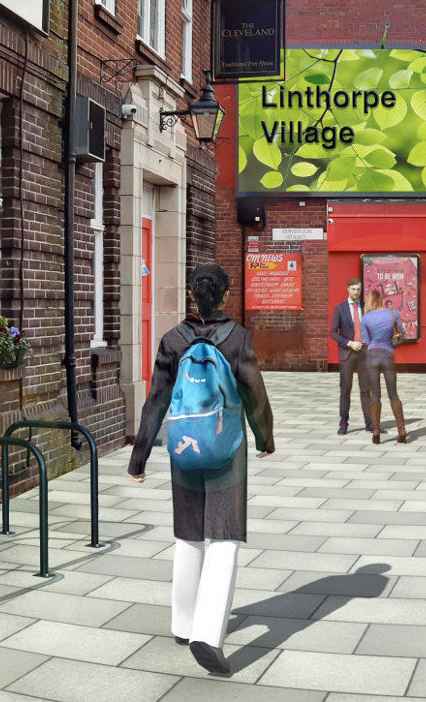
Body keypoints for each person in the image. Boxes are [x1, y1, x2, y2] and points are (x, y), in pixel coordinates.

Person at [128, 266, 275, 676]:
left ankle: (183, 622)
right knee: (224, 535)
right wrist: (265, 438)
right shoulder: (238, 337)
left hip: (184, 448)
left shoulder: (172, 339)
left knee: (189, 531)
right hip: (227, 448)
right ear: (226, 295)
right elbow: (253, 392)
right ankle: (208, 635)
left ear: (191, 294)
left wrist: (138, 459)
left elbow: (155, 401)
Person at [360, 288, 409, 443]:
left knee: (375, 394)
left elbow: (367, 341)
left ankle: (375, 431)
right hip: (388, 355)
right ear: (381, 299)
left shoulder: (366, 318)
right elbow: (402, 333)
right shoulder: (393, 312)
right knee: (393, 394)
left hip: (372, 356)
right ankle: (401, 429)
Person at [330, 279, 373, 436]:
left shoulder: (366, 308)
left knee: (366, 390)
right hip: (347, 353)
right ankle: (343, 423)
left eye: (358, 289)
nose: (356, 292)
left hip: (364, 353)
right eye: (353, 289)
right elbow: (333, 332)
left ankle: (370, 424)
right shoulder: (340, 309)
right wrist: (349, 343)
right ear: (348, 289)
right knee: (345, 390)